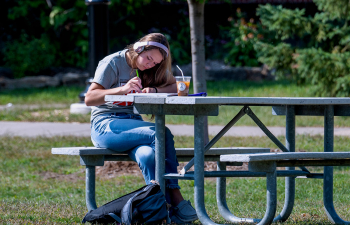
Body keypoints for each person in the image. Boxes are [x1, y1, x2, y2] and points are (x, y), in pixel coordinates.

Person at [85, 33, 198, 224]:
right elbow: (90, 98)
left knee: (148, 156)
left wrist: (154, 90)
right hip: (106, 124)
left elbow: (176, 87)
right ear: (139, 48)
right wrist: (121, 89)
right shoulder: (112, 62)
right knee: (161, 132)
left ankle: (159, 211)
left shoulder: (150, 68)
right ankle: (175, 197)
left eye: (155, 63)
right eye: (148, 58)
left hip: (133, 124)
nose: (150, 64)